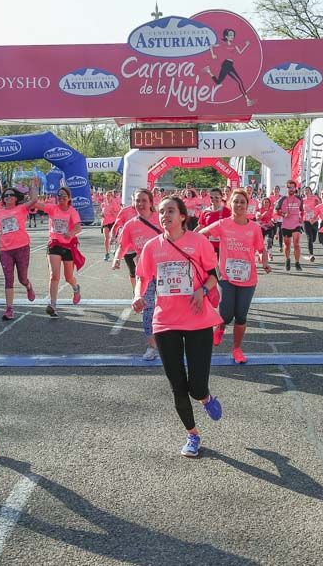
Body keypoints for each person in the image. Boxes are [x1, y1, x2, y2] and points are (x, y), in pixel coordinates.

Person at [133, 196, 223, 457]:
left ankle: (205, 397)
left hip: (198, 319)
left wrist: (202, 291)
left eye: (170, 211)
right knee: (177, 385)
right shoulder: (152, 247)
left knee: (196, 386)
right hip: (165, 321)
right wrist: (138, 295)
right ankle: (192, 435)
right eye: (161, 212)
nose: (164, 216)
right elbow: (143, 276)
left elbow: (213, 275)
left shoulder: (199, 242)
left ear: (182, 216)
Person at [200, 190, 269, 363]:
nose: (239, 205)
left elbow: (261, 249)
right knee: (226, 314)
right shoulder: (222, 224)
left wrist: (265, 262)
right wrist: (202, 253)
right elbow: (202, 235)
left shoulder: (254, 228)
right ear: (230, 204)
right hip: (227, 277)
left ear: (247, 206)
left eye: (242, 202)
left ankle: (237, 349)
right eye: (236, 202)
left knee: (241, 316)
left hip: (248, 278)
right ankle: (221, 326)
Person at [113, 188, 161, 361]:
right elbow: (124, 245)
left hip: (166, 271)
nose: (140, 204)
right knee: (148, 308)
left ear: (150, 202)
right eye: (137, 201)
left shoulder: (160, 219)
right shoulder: (131, 225)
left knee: (169, 307)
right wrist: (117, 259)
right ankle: (152, 346)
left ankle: (171, 342)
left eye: (144, 200)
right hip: (145, 271)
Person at [0, 187, 37, 320]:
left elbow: (34, 200)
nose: (8, 197)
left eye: (11, 195)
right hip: (5, 250)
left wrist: (33, 186)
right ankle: (9, 309)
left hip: (22, 247)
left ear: (16, 198)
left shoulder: (22, 208)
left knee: (22, 278)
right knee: (8, 279)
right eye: (6, 195)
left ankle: (28, 286)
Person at [37, 186, 84, 318]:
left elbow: (78, 226)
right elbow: (35, 203)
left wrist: (71, 233)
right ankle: (53, 305)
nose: (61, 198)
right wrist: (35, 187)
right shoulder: (52, 208)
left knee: (69, 277)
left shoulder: (72, 211)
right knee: (54, 276)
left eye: (64, 196)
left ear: (69, 198)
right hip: (54, 244)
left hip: (68, 246)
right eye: (59, 195)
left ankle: (76, 288)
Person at [202, 28, 255, 107]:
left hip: (230, 65)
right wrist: (212, 54)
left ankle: (209, 71)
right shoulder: (223, 44)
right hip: (226, 64)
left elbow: (240, 52)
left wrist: (246, 45)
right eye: (230, 35)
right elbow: (211, 46)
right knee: (239, 81)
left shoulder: (234, 45)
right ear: (226, 36)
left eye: (233, 35)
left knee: (218, 82)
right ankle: (247, 100)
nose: (232, 36)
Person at [275, 180, 305, 272]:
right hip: (286, 225)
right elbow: (276, 211)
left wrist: (301, 218)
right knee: (287, 245)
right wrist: (283, 214)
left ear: (295, 188)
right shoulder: (282, 199)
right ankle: (287, 260)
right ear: (286, 188)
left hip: (296, 224)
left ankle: (297, 263)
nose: (290, 189)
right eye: (289, 187)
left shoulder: (299, 199)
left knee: (296, 244)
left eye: (292, 187)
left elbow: (302, 211)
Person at [197, 188, 231, 255]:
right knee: (210, 265)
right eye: (211, 197)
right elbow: (200, 227)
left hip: (223, 245)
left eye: (216, 197)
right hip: (208, 244)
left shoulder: (227, 211)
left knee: (221, 265)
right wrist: (191, 236)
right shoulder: (205, 212)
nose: (213, 199)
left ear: (221, 197)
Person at [100, 191, 122, 262]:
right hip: (105, 222)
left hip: (113, 222)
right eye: (106, 195)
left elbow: (117, 214)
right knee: (106, 238)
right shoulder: (103, 204)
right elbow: (102, 213)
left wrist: (112, 213)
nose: (107, 197)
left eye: (109, 195)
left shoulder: (115, 204)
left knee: (115, 238)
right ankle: (107, 253)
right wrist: (102, 214)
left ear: (112, 197)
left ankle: (116, 251)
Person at [254, 196, 276, 262]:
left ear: (269, 203)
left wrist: (272, 220)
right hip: (262, 227)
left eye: (268, 202)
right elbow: (258, 218)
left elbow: (273, 217)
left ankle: (270, 254)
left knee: (269, 241)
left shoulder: (271, 210)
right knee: (261, 242)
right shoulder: (259, 210)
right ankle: (260, 255)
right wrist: (263, 214)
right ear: (262, 203)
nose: (266, 203)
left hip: (269, 227)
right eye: (265, 202)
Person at [302, 186, 321, 262]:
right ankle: (311, 254)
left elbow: (320, 206)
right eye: (305, 190)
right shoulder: (302, 200)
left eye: (308, 190)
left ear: (310, 191)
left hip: (314, 220)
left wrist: (318, 201)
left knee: (313, 238)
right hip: (306, 220)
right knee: (309, 237)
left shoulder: (315, 198)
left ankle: (311, 246)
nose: (306, 191)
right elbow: (300, 210)